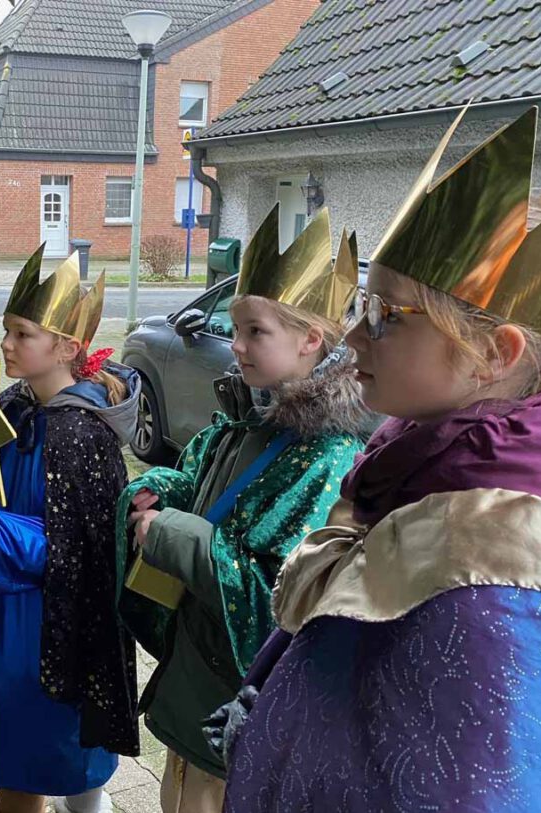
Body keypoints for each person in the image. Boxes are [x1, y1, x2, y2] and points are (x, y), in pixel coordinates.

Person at [221, 107, 541, 812]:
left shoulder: (507, 577)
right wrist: (272, 702)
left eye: (384, 316)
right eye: (362, 305)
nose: (353, 339)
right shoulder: (426, 461)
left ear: (494, 354)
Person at [118, 207, 376, 813]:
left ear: (310, 340)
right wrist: (165, 491)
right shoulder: (249, 418)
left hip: (234, 704)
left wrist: (169, 533)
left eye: (254, 331)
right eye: (235, 328)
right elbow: (201, 484)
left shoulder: (325, 457)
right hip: (199, 672)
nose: (234, 345)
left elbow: (277, 599)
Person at [0, 245, 141, 813]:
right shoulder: (12, 409)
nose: (6, 343)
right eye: (7, 330)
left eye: (22, 334)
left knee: (58, 741)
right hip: (4, 615)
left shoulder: (83, 433)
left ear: (67, 348)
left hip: (53, 624)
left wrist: (2, 539)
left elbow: (92, 552)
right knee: (12, 748)